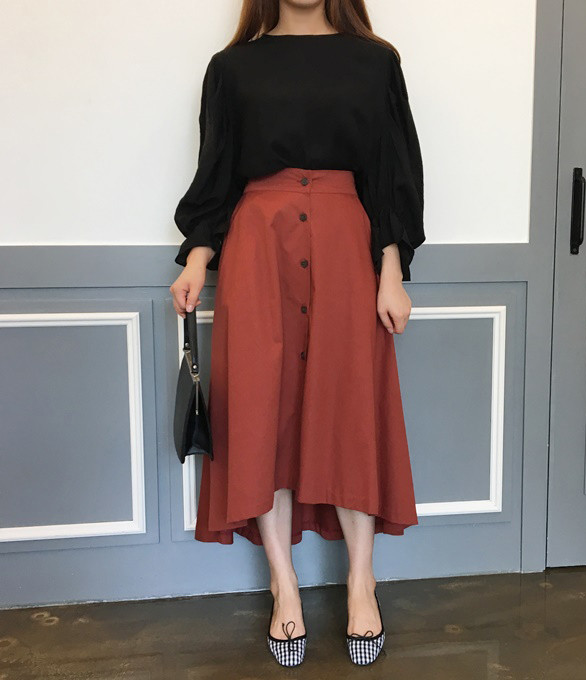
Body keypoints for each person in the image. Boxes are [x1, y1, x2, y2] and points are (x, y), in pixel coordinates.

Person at [169, 0, 425, 668]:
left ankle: (361, 582)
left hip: (348, 247)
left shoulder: (376, 63)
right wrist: (196, 260)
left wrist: (391, 273)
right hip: (258, 247)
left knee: (349, 412)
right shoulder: (233, 68)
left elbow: (391, 173)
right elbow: (218, 173)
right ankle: (284, 588)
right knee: (264, 414)